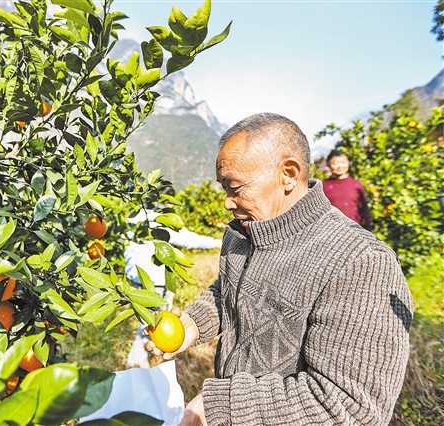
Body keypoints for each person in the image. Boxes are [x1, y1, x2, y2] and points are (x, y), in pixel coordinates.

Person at [147, 113, 413, 425]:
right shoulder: (244, 234)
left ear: (288, 174)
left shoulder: (360, 262)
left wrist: (220, 404)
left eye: (234, 187)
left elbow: (349, 408)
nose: (227, 203)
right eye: (223, 188)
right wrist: (193, 324)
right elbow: (228, 290)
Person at [322, 150, 373, 230]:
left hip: (355, 230)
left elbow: (364, 209)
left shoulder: (356, 185)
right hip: (332, 232)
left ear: (348, 163)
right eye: (335, 163)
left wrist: (368, 229)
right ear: (328, 165)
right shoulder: (323, 186)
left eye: (343, 162)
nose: (340, 166)